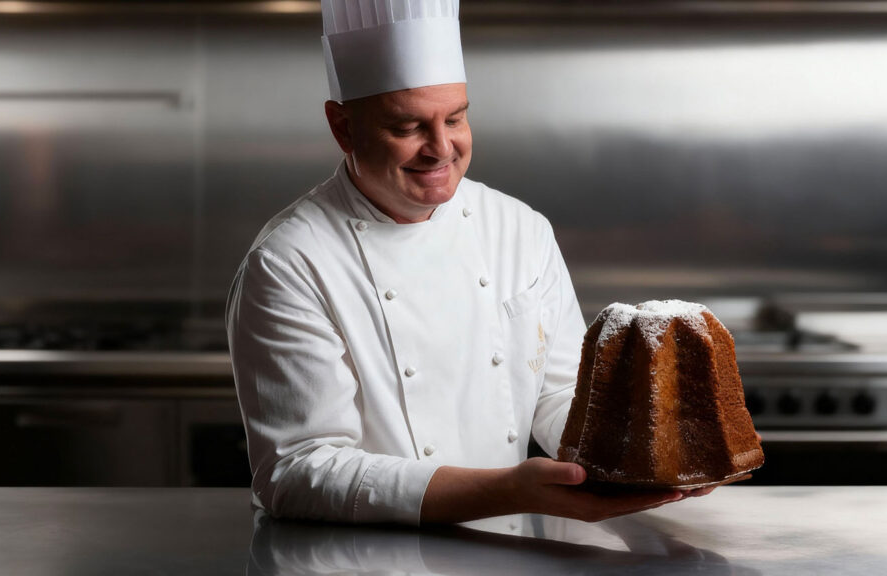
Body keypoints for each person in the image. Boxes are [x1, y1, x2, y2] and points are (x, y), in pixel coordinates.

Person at [226, 0, 703, 525]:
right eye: (408, 127)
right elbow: (296, 470)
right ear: (343, 127)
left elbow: (563, 394)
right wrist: (509, 491)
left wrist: (646, 457)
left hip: (509, 545)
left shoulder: (520, 230)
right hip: (361, 556)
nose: (441, 148)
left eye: (455, 118)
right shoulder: (290, 262)